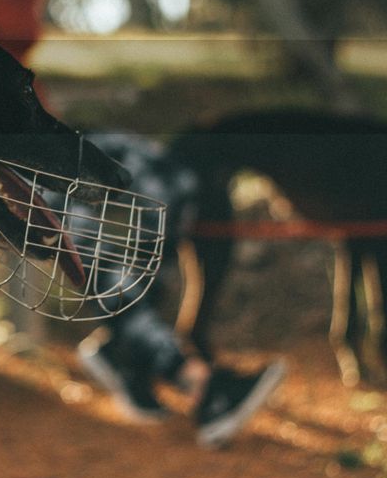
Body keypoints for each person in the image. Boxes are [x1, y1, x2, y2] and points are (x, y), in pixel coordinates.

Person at [74, 131, 287, 448]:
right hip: (135, 170)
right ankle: (181, 377)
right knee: (116, 269)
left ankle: (137, 359)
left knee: (122, 271)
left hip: (118, 170)